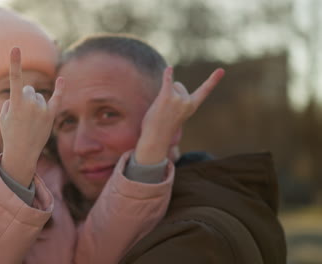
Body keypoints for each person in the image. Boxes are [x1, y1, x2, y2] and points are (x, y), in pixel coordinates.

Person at [0, 7, 182, 264]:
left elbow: (96, 252)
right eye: (9, 90)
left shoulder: (56, 170)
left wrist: (146, 163)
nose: (30, 101)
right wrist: (14, 171)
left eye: (44, 90)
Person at [53, 33, 286, 263]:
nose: (81, 146)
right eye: (67, 122)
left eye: (107, 114)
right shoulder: (61, 223)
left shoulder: (196, 241)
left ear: (170, 122)